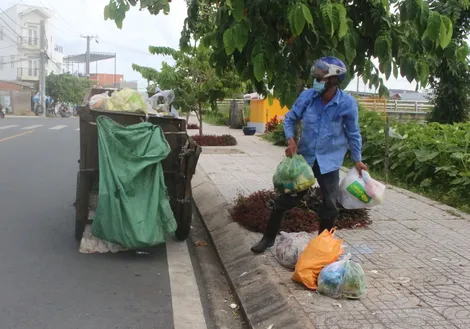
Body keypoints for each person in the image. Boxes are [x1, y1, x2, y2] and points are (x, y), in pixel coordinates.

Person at [251, 56, 368, 254]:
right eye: (316, 76)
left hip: (329, 162)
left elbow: (353, 134)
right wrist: (290, 140)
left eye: (321, 77)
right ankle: (268, 238)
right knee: (285, 200)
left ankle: (322, 249)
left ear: (334, 80)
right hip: (304, 161)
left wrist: (357, 160)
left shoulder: (347, 104)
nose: (316, 79)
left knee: (330, 205)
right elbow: (290, 119)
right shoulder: (307, 97)